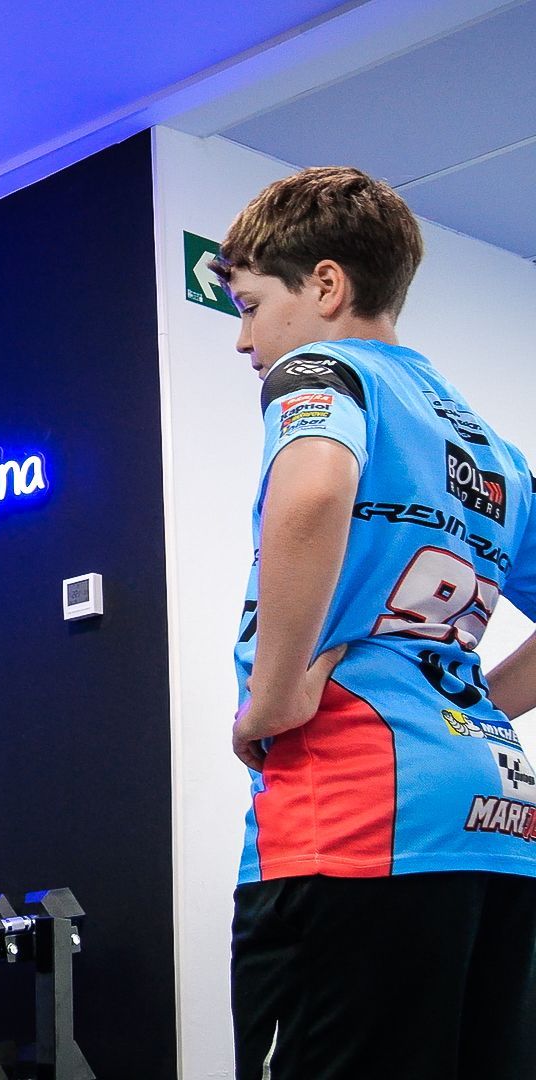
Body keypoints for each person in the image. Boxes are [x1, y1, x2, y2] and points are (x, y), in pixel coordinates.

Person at [219, 167, 536, 1078]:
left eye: (249, 305)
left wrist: (273, 699)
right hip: (494, 824)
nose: (245, 341)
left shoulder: (322, 370)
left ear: (326, 285)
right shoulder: (491, 445)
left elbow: (314, 491)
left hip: (355, 823)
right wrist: (479, 709)